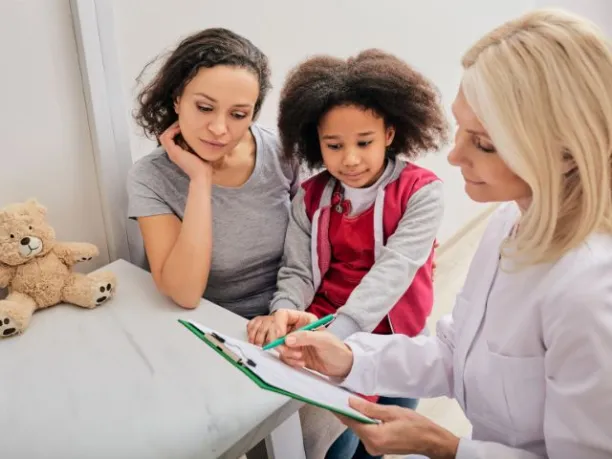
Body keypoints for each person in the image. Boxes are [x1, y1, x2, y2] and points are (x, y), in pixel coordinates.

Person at [271, 8, 612, 459]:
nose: (454, 157)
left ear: (566, 152)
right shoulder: (507, 224)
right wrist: (351, 358)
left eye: (483, 142)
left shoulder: (591, 292)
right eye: (460, 130)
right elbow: (456, 352)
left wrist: (445, 446)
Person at [247, 49, 448, 458]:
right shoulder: (311, 196)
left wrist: (338, 335)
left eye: (364, 142)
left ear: (390, 134)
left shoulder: (422, 192)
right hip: (321, 327)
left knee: (380, 440)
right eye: (334, 145)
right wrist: (284, 311)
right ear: (315, 143)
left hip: (393, 334)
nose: (350, 158)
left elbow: (394, 272)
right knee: (336, 444)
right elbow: (298, 269)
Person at [126, 28, 299, 317]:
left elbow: (311, 251)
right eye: (205, 108)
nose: (219, 129)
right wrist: (200, 180)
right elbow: (185, 293)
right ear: (177, 99)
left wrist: (286, 312)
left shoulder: (283, 152)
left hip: (289, 314)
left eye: (238, 114)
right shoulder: (150, 177)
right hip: (209, 323)